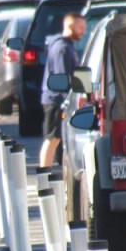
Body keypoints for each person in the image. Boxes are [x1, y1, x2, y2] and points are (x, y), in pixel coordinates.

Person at [39, 12, 86, 169]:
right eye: (80, 27)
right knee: (52, 138)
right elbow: (62, 79)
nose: (83, 31)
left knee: (57, 138)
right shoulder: (62, 49)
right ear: (69, 26)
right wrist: (69, 99)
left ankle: (48, 174)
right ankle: (43, 176)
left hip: (58, 99)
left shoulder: (67, 47)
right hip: (55, 100)